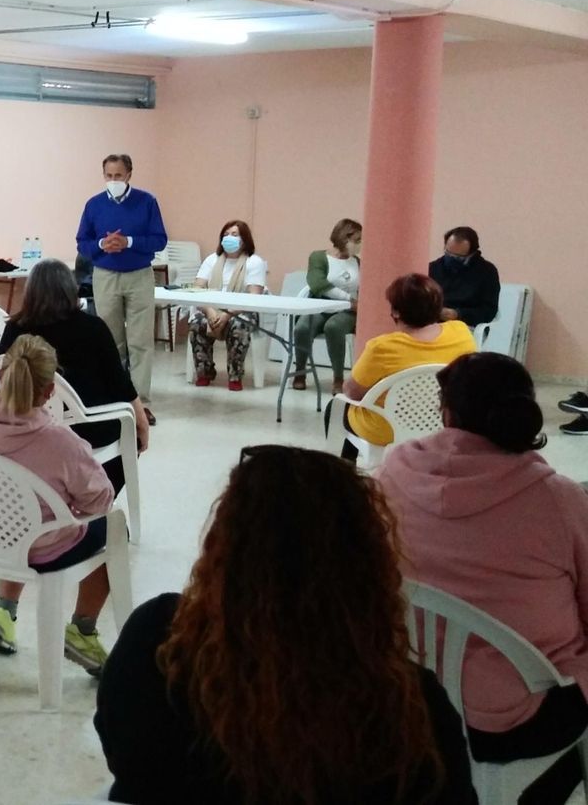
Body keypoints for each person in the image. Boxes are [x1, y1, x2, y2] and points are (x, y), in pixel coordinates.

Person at [95, 445, 476, 805]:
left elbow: (123, 758)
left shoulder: (155, 647)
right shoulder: (413, 714)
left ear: (223, 547)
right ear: (367, 567)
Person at [381, 353, 588, 805]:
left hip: (402, 700)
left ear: (446, 412)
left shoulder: (393, 472)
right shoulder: (560, 501)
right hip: (517, 718)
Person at [0, 335, 120, 675]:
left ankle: (4, 611)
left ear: (1, 376)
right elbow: (101, 500)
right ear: (50, 391)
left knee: (24, 517)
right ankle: (82, 631)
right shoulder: (59, 443)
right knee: (111, 528)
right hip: (39, 547)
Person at [0, 258, 149, 492]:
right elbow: (120, 383)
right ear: (71, 289)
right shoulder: (93, 328)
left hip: (27, 429)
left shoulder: (14, 330)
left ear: (30, 292)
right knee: (130, 436)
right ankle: (95, 505)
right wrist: (141, 423)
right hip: (89, 430)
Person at [341, 273, 476, 455]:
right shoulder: (461, 332)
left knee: (339, 410)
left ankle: (346, 475)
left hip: (389, 428)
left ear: (396, 311)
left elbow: (352, 392)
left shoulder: (382, 347)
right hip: (443, 421)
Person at [76, 154, 167, 422]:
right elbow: (82, 242)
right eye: (109, 176)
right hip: (105, 275)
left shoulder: (147, 202)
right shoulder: (94, 205)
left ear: (129, 175)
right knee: (111, 341)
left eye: (118, 176)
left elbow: (159, 240)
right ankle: (114, 399)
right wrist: (102, 246)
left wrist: (127, 242)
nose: (113, 180)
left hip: (139, 275)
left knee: (140, 342)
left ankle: (143, 403)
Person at [187, 220, 268, 391]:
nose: (228, 238)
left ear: (244, 240)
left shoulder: (254, 262)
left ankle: (235, 375)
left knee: (239, 325)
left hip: (241, 310)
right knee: (197, 323)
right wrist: (209, 311)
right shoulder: (212, 260)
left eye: (234, 234)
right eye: (225, 234)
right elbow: (197, 289)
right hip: (211, 307)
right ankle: (205, 372)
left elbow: (254, 297)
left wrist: (227, 314)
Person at [292, 218, 362, 394]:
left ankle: (338, 378)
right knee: (302, 328)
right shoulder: (319, 257)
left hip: (347, 312)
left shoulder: (358, 262)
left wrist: (353, 304)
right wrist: (348, 300)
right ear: (343, 238)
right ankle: (300, 371)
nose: (359, 245)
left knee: (334, 327)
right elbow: (317, 284)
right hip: (321, 307)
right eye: (356, 240)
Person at [428, 226, 500, 328]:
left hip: (466, 325)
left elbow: (488, 311)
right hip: (432, 323)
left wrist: (458, 314)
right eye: (448, 253)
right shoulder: (433, 268)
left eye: (458, 257)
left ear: (472, 254)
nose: (451, 259)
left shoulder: (487, 272)